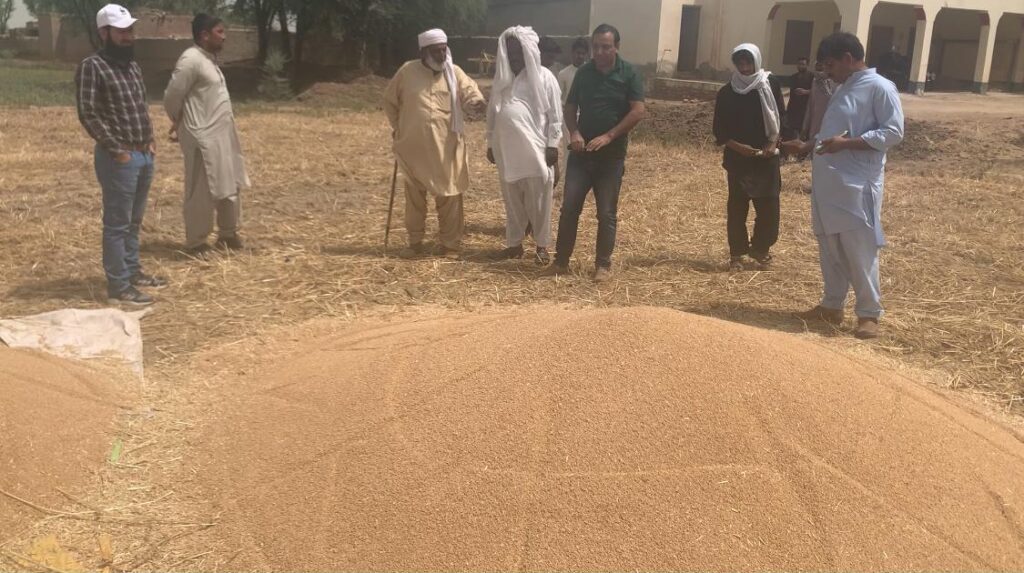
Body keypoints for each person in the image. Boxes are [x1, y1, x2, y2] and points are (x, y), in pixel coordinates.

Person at [782, 32, 904, 340]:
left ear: (848, 59)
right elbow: (833, 133)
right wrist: (808, 145)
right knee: (831, 247)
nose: (827, 71)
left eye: (830, 64)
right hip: (829, 184)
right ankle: (831, 305)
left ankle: (869, 313)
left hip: (856, 186)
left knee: (859, 249)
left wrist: (847, 144)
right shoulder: (844, 86)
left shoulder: (880, 87)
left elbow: (893, 132)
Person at [541, 24, 645, 282]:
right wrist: (574, 132)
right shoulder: (584, 73)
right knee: (569, 209)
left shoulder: (629, 73)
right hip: (582, 154)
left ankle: (602, 266)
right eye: (595, 46)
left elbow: (637, 111)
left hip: (611, 157)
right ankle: (561, 262)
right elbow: (569, 107)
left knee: (606, 213)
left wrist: (609, 136)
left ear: (616, 47)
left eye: (605, 47)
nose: (599, 52)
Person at [75, 4, 164, 306]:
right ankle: (119, 286)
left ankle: (132, 271)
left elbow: (140, 106)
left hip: (143, 155)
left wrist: (150, 141)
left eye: (130, 30)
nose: (129, 36)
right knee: (117, 224)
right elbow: (88, 113)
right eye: (122, 31)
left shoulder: (132, 67)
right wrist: (117, 150)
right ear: (105, 33)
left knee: (134, 221)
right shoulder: (93, 66)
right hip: (119, 159)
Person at [383, 28, 485, 260]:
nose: (441, 55)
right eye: (436, 51)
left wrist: (476, 102)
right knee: (414, 199)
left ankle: (450, 245)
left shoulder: (454, 72)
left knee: (449, 196)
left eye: (443, 50)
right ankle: (414, 242)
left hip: (446, 149)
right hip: (414, 149)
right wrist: (398, 128)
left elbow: (470, 92)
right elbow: (390, 102)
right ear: (423, 52)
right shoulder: (407, 72)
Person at [164, 13, 250, 257]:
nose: (225, 36)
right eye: (219, 32)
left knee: (229, 182)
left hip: (223, 135)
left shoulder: (208, 60)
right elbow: (172, 96)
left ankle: (227, 234)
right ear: (204, 35)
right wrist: (180, 122)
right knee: (201, 190)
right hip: (202, 138)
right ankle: (197, 242)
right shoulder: (191, 59)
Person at [486, 26, 563, 265]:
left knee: (540, 201)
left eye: (518, 51)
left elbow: (555, 116)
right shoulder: (503, 79)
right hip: (507, 151)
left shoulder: (545, 77)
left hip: (536, 152)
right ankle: (514, 245)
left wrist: (553, 145)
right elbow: (493, 113)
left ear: (528, 50)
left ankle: (541, 246)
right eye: (510, 52)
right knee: (512, 201)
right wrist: (490, 143)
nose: (514, 57)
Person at [712, 43, 785, 272]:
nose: (744, 68)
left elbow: (781, 118)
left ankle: (761, 249)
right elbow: (720, 130)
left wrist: (773, 143)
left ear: (757, 61)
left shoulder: (770, 84)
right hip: (738, 160)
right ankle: (737, 254)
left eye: (748, 62)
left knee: (769, 209)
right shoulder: (727, 92)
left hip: (766, 158)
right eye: (740, 63)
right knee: (737, 209)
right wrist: (739, 147)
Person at [786, 56, 814, 143]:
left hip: (806, 108)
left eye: (803, 64)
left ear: (807, 65)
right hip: (794, 108)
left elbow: (816, 92)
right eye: (799, 64)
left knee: (804, 131)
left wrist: (806, 92)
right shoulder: (793, 77)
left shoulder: (812, 77)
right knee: (793, 132)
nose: (800, 66)